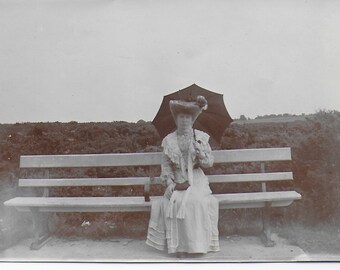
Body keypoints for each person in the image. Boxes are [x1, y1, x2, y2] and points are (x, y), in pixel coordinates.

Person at [146, 95, 220, 257]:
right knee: (176, 202)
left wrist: (200, 152)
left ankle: (197, 246)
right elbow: (166, 166)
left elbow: (209, 164)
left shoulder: (199, 137)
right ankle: (180, 247)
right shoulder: (169, 140)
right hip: (178, 179)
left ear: (192, 119)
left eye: (188, 117)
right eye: (181, 117)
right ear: (176, 119)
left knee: (196, 201)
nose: (184, 120)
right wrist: (170, 183)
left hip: (197, 179)